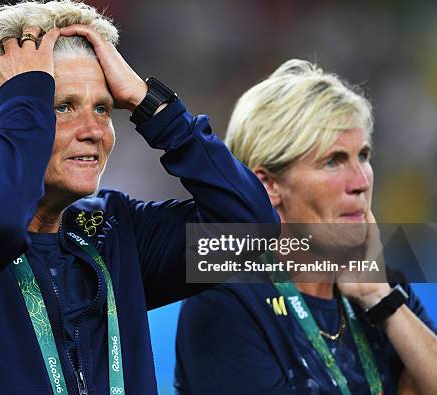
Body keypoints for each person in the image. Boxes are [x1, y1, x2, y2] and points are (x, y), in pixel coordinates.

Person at [0, 0, 279, 394]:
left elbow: (252, 231)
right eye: (62, 107)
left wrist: (151, 105)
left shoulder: (117, 235)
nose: (93, 130)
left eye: (104, 109)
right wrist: (25, 96)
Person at [175, 59, 437, 395]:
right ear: (268, 186)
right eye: (333, 161)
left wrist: (379, 298)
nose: (361, 181)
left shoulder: (384, 287)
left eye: (364, 155)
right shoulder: (223, 299)